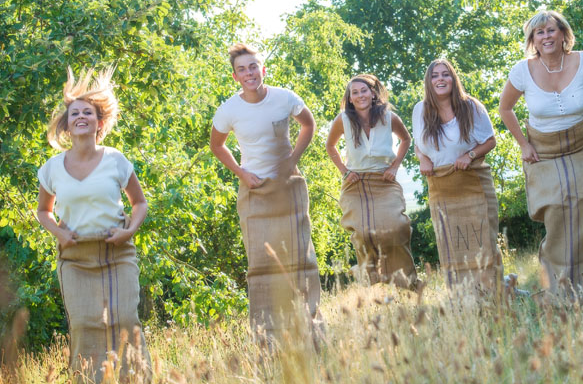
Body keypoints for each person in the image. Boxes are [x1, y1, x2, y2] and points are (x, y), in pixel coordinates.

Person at [36, 67, 150, 384]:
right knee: (85, 324)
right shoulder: (52, 168)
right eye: (75, 113)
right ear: (67, 124)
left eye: (88, 112)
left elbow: (139, 203)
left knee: (125, 320)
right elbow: (43, 212)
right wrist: (59, 234)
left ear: (99, 123)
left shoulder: (116, 160)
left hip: (116, 251)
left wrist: (129, 231)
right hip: (76, 256)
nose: (81, 117)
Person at [499, 10, 583, 302]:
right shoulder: (522, 70)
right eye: (539, 33)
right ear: (532, 41)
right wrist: (524, 145)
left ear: (563, 34)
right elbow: (505, 109)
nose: (546, 36)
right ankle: (559, 290)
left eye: (551, 30)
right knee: (556, 211)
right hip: (545, 151)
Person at [209, 44, 320, 340]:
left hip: (288, 186)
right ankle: (268, 334)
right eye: (242, 69)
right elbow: (217, 145)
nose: (249, 73)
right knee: (261, 263)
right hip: (255, 191)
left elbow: (308, 125)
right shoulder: (229, 109)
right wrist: (241, 173)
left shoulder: (285, 98)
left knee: (301, 258)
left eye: (253, 67)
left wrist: (292, 160)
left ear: (263, 70)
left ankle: (309, 327)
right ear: (235, 76)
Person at [413, 59, 503, 296]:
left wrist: (470, 154)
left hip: (472, 181)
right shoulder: (420, 110)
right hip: (441, 187)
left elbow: (490, 140)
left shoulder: (470, 106)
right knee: (452, 244)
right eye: (434, 75)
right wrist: (422, 158)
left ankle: (493, 292)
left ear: (453, 79)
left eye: (445, 74)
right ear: (428, 82)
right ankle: (462, 295)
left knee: (483, 240)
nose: (440, 79)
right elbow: (418, 144)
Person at [326, 74, 418, 289]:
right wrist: (344, 171)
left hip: (383, 180)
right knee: (363, 232)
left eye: (364, 91)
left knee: (395, 227)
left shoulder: (389, 117)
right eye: (354, 93)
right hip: (355, 182)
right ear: (349, 98)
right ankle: (370, 277)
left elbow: (406, 139)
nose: (360, 96)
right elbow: (330, 146)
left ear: (373, 92)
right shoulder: (343, 120)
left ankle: (405, 282)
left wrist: (394, 166)